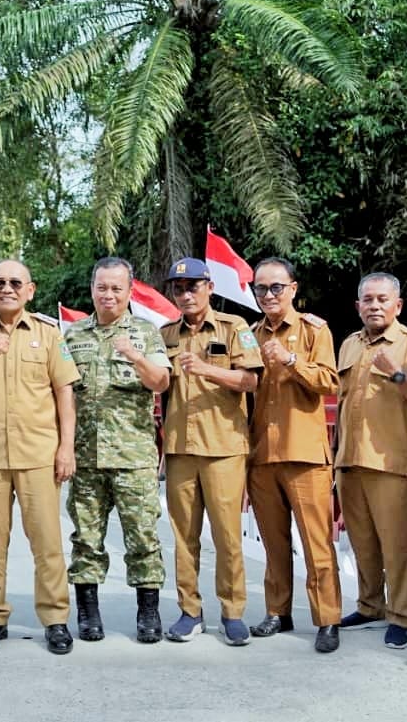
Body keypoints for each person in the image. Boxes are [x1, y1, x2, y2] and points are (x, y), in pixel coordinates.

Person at [0, 259, 79, 655]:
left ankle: (55, 619)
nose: (7, 288)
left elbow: (64, 393)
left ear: (30, 290)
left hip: (39, 453)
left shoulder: (48, 333)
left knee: (47, 541)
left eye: (15, 282)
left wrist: (66, 447)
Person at [64, 257, 171, 643]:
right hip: (86, 459)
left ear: (129, 291)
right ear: (92, 289)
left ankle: (148, 613)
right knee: (86, 539)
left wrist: (136, 356)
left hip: (133, 458)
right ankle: (88, 613)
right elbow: (61, 397)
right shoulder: (73, 336)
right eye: (102, 287)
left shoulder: (146, 333)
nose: (108, 295)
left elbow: (160, 382)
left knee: (142, 537)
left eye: (116, 288)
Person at [159, 257, 263, 646]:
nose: (186, 294)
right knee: (183, 536)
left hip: (223, 447)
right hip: (180, 447)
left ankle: (233, 611)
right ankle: (190, 611)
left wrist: (207, 370)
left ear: (209, 288)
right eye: (179, 288)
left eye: (193, 287)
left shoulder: (233, 328)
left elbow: (250, 381)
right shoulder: (166, 333)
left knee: (226, 536)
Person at [334, 272, 407, 651]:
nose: (375, 306)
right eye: (368, 299)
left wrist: (396, 374)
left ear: (398, 305)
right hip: (350, 460)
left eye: (383, 299)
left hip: (391, 462)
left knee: (398, 546)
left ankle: (401, 615)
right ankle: (369, 605)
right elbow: (342, 402)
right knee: (361, 543)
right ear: (358, 305)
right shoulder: (348, 345)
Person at [248, 257, 343, 653]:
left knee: (316, 542)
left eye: (276, 288)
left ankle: (327, 618)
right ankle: (277, 611)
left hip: (304, 453)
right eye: (261, 289)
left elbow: (330, 382)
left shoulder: (313, 330)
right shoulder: (249, 333)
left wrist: (291, 360)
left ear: (293, 289)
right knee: (273, 542)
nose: (268, 295)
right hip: (262, 453)